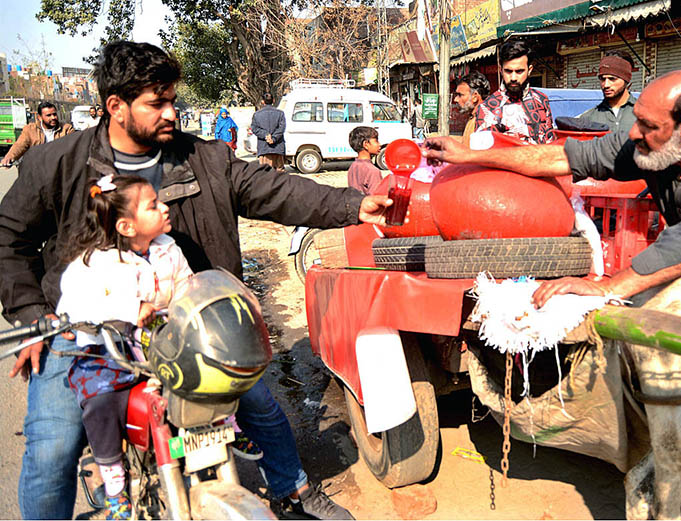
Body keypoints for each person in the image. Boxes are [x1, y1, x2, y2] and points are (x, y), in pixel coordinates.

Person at [0, 40, 392, 520]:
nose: (172, 112)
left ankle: (292, 488)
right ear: (115, 107)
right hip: (84, 335)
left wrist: (353, 206)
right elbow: (9, 239)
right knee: (52, 448)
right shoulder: (58, 164)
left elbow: (274, 189)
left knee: (262, 405)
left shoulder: (205, 158)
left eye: (172, 99)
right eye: (157, 103)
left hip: (186, 326)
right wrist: (31, 316)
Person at [423, 70, 681, 307]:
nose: (633, 133)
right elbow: (563, 158)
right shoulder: (648, 143)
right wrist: (469, 154)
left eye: (647, 126)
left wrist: (610, 288)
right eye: (636, 121)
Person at [57, 174, 193, 519]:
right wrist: (130, 309)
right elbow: (76, 304)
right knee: (101, 401)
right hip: (110, 352)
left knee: (210, 376)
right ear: (127, 226)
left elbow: (187, 285)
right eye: (153, 205)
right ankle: (115, 482)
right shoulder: (95, 262)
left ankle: (225, 431)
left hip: (161, 345)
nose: (165, 208)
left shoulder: (168, 248)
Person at [475, 40, 555, 144]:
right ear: (500, 69)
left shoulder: (541, 100)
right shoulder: (487, 108)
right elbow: (481, 153)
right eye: (508, 71)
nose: (513, 78)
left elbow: (550, 141)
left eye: (519, 71)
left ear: (529, 70)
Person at [578, 50, 638, 134]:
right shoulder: (588, 119)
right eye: (602, 79)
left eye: (612, 79)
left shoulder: (644, 113)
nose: (606, 85)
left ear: (626, 79)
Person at [0, 101, 74, 166]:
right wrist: (9, 157)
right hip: (36, 169)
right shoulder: (30, 130)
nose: (53, 117)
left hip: (59, 169)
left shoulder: (66, 129)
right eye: (48, 115)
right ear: (39, 117)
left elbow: (74, 145)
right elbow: (19, 145)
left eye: (54, 114)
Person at [453, 70, 490, 145]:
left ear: (475, 97)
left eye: (460, 95)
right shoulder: (473, 117)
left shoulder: (484, 121)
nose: (456, 99)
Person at [251, 92, 286, 171]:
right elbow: (281, 128)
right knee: (280, 174)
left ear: (262, 101)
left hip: (264, 148)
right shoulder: (280, 113)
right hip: (278, 148)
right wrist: (273, 138)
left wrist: (266, 135)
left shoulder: (257, 114)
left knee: (265, 175)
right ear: (273, 100)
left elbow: (254, 128)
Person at [347, 126, 383, 194]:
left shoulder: (353, 166)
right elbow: (375, 199)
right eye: (376, 141)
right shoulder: (373, 171)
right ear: (366, 144)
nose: (379, 144)